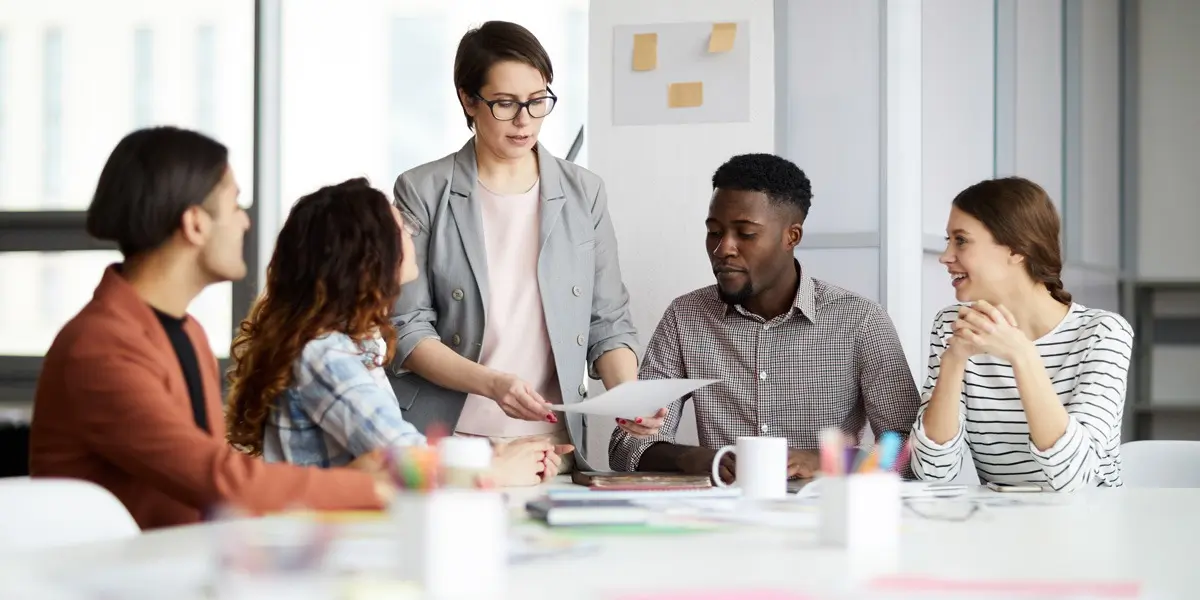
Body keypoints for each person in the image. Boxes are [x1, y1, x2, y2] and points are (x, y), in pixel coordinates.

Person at [28, 127, 390, 530]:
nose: (245, 223)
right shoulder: (100, 348)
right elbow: (220, 480)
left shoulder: (188, 332)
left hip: (180, 562)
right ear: (195, 224)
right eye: (235, 205)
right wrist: (370, 487)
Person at [388, 21, 659, 472]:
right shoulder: (422, 189)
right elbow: (406, 329)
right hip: (447, 443)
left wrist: (628, 397)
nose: (524, 120)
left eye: (538, 102)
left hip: (553, 445)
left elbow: (607, 321)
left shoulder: (583, 192)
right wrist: (493, 384)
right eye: (505, 104)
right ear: (468, 100)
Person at [224, 178, 572, 486]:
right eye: (400, 228)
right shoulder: (324, 353)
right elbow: (402, 457)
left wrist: (504, 455)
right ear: (365, 256)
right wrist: (498, 469)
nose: (411, 231)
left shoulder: (349, 344)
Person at [608, 153, 920, 481]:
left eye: (745, 233)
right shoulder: (685, 317)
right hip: (720, 520)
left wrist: (827, 462)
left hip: (825, 518)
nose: (723, 248)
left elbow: (907, 451)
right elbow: (626, 443)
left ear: (792, 237)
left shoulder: (860, 321)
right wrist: (699, 459)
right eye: (715, 231)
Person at [909, 177, 1133, 491]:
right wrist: (953, 361)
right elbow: (932, 473)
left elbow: (1076, 478)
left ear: (1016, 249)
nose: (945, 256)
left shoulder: (1102, 334)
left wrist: (1023, 355)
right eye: (948, 240)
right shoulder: (953, 325)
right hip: (995, 525)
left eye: (961, 240)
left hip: (1086, 525)